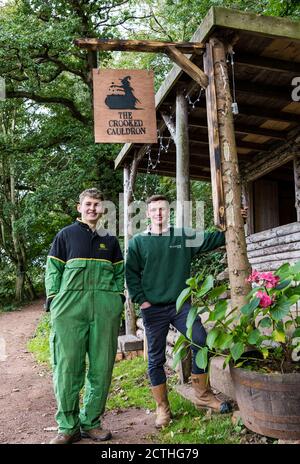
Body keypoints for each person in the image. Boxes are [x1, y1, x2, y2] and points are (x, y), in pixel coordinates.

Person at [125, 194, 242, 428]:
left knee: (201, 340)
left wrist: (237, 219)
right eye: (154, 210)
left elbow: (212, 239)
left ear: (169, 212)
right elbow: (131, 274)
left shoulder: (182, 236)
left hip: (181, 306)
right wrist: (142, 301)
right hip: (153, 309)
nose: (159, 213)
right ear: (147, 214)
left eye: (163, 209)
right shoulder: (138, 242)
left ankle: (203, 396)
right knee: (156, 358)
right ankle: (163, 408)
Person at [45, 188, 124, 444]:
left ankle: (91, 422)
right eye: (88, 204)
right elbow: (52, 271)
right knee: (68, 367)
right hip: (69, 310)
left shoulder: (110, 240)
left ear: (102, 209)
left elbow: (119, 274)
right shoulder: (65, 236)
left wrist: (117, 299)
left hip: (104, 310)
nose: (92, 208)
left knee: (101, 368)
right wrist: (54, 301)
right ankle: (67, 426)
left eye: (97, 205)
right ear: (79, 207)